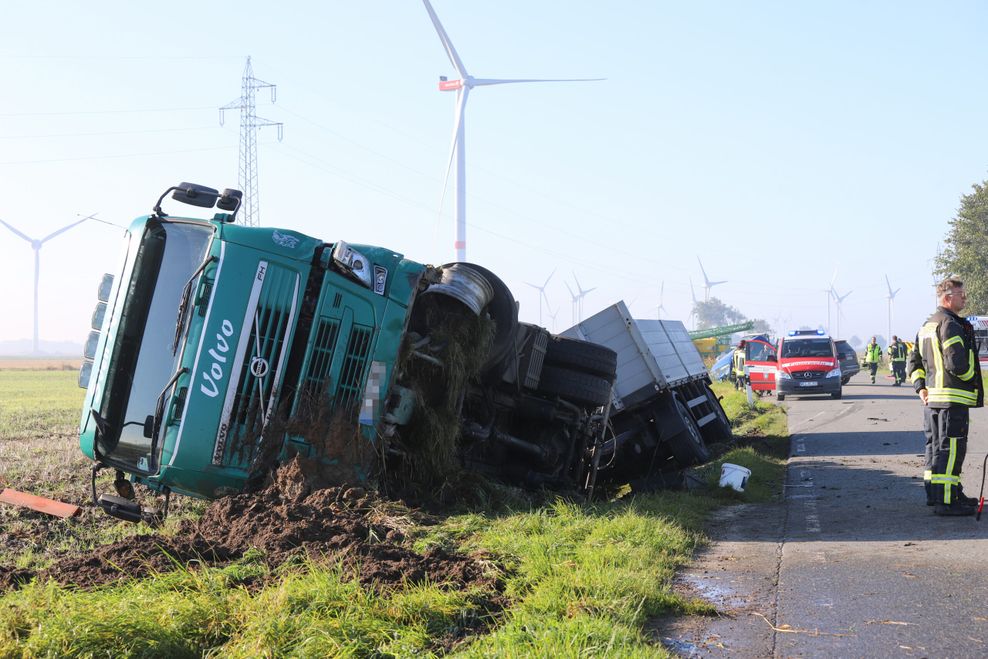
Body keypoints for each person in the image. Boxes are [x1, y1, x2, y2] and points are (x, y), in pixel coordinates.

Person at [906, 276, 984, 516]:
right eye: (962, 295)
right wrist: (973, 379)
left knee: (936, 449)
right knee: (951, 449)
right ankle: (948, 502)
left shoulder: (928, 324)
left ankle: (939, 494)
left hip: (933, 400)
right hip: (953, 397)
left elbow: (914, 362)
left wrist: (921, 387)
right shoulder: (950, 324)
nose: (965, 298)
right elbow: (956, 363)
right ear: (948, 297)